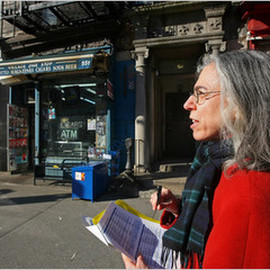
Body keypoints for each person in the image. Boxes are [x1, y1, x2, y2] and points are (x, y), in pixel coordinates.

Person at [121, 50, 270, 269]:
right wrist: (179, 208)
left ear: (239, 104)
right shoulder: (220, 162)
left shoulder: (246, 194)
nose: (188, 103)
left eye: (201, 93)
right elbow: (216, 225)